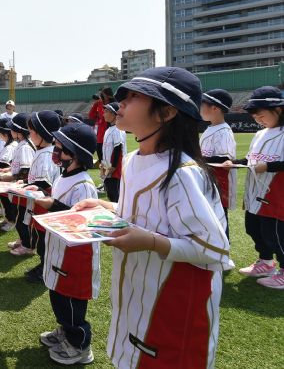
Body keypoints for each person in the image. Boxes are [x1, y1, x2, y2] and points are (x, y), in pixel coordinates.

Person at [75, 67, 231, 368]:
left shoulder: (183, 174)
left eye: (134, 97)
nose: (121, 103)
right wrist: (103, 206)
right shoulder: (134, 160)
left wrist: (150, 241)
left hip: (173, 306)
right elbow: (141, 213)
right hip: (138, 295)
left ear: (167, 113)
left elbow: (214, 249)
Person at [33, 123, 99, 365]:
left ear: (76, 154)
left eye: (61, 148)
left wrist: (49, 204)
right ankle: (65, 330)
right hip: (59, 249)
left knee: (71, 300)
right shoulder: (65, 175)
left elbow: (81, 220)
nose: (56, 151)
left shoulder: (84, 184)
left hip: (75, 255)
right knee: (58, 295)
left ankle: (80, 345)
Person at [234, 86, 284, 288]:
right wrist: (235, 162)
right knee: (253, 228)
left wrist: (268, 166)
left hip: (276, 193)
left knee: (276, 236)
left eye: (261, 115)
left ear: (278, 110)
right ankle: (265, 262)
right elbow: (251, 159)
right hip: (255, 192)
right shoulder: (260, 134)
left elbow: (268, 163)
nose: (258, 120)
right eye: (255, 117)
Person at [11, 111, 61, 278]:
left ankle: (45, 268)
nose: (29, 133)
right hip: (40, 205)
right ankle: (44, 265)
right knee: (40, 238)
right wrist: (25, 184)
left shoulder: (47, 155)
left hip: (44, 207)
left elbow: (44, 185)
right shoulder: (43, 151)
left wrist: (25, 188)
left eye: (32, 131)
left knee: (43, 240)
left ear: (42, 134)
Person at [200, 89, 236, 240]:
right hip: (208, 180)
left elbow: (222, 160)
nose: (200, 109)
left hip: (219, 183)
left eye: (202, 105)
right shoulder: (210, 128)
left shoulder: (223, 131)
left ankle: (223, 251)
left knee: (220, 217)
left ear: (215, 108)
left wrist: (196, 159)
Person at [0, 113, 34, 234]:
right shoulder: (21, 144)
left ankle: (25, 243)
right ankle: (22, 240)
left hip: (21, 189)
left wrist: (10, 177)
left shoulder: (25, 147)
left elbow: (25, 171)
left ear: (18, 131)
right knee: (17, 212)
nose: (10, 131)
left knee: (21, 215)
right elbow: (17, 165)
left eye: (12, 128)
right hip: (16, 187)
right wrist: (8, 170)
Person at [101, 102, 126, 203]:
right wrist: (103, 166)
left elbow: (118, 148)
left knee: (115, 193)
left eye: (106, 111)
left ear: (114, 114)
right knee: (110, 191)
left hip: (115, 168)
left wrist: (113, 167)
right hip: (107, 165)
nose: (104, 114)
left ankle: (119, 214)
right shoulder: (109, 129)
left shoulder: (118, 129)